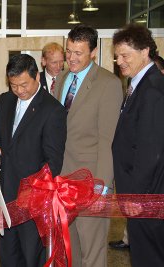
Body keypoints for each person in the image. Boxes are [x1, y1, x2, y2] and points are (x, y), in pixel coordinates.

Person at [53, 24, 123, 267]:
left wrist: (102, 186)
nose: (71, 58)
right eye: (69, 51)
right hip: (62, 181)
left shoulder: (108, 83)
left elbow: (108, 139)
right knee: (70, 248)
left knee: (92, 252)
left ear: (93, 52)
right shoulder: (61, 79)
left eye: (78, 53)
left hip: (91, 181)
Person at [0, 53, 67, 267]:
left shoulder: (53, 110)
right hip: (5, 195)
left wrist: (35, 193)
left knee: (31, 256)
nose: (19, 91)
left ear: (37, 77)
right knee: (8, 254)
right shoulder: (5, 101)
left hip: (33, 199)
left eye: (24, 85)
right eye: (14, 85)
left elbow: (54, 160)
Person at [112, 23, 164, 267]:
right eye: (117, 55)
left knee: (148, 257)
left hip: (146, 198)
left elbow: (149, 151)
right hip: (142, 197)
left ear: (145, 52)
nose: (119, 61)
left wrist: (135, 197)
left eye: (125, 55)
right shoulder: (139, 84)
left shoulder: (152, 89)